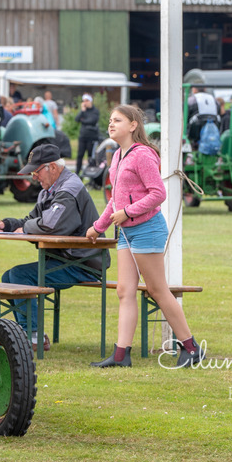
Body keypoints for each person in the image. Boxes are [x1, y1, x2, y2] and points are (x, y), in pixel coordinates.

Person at [87, 104, 204, 368]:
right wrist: (98, 226)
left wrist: (127, 212)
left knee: (157, 289)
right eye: (110, 120)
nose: (111, 124)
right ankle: (121, 356)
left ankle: (191, 348)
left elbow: (158, 193)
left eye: (117, 120)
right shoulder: (117, 156)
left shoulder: (143, 155)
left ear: (133, 125)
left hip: (147, 229)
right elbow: (115, 200)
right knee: (125, 291)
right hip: (126, 232)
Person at [0, 143, 109, 352]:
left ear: (52, 167)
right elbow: (31, 220)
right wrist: (7, 224)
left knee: (18, 276)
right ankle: (28, 333)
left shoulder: (68, 189)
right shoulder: (50, 189)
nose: (34, 177)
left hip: (83, 264)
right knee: (9, 276)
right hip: (67, 259)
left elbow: (50, 226)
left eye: (36, 171)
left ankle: (33, 336)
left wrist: (25, 228)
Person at [74, 93, 100, 176]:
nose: (85, 102)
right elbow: (77, 119)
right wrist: (82, 111)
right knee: (80, 155)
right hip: (83, 136)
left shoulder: (95, 111)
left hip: (92, 137)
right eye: (84, 101)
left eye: (87, 100)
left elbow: (92, 121)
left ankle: (91, 172)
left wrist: (83, 121)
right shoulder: (83, 111)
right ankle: (77, 172)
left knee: (90, 156)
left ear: (90, 101)